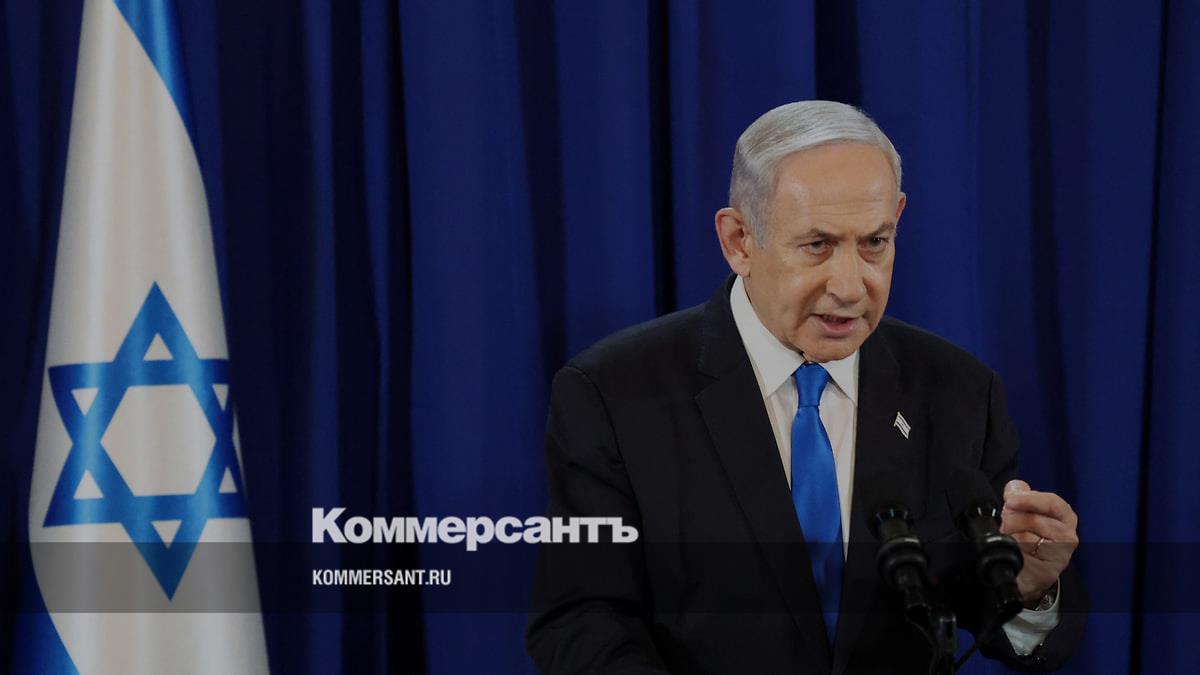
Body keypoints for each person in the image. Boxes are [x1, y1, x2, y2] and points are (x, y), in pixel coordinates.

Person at [526, 101, 1085, 674]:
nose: (850, 286)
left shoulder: (959, 392)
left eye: (875, 242)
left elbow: (989, 611)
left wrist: (1030, 589)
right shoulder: (613, 393)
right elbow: (580, 620)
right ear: (740, 240)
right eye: (818, 245)